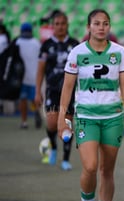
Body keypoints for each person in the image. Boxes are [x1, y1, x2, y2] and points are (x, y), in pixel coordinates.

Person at [57, 9, 124, 201]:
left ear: (109, 27)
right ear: (89, 27)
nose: (101, 27)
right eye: (96, 23)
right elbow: (67, 88)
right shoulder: (77, 53)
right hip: (86, 117)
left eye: (105, 23)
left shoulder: (120, 52)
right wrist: (64, 119)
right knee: (91, 166)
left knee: (107, 170)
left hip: (112, 117)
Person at [35, 12, 79, 170]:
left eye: (63, 23)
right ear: (53, 26)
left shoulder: (75, 44)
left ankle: (66, 159)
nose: (60, 26)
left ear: (67, 25)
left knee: (67, 124)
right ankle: (53, 147)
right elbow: (40, 70)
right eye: (57, 24)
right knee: (52, 123)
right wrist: (37, 91)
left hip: (69, 91)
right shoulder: (46, 45)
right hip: (52, 90)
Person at [16, 23, 42, 129]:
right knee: (34, 98)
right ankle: (36, 112)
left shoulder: (17, 42)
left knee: (22, 100)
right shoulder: (36, 43)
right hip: (34, 76)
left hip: (21, 77)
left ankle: (24, 122)